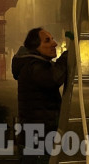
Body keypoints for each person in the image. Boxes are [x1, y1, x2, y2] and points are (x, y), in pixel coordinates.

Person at [12, 27, 68, 163]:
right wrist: (67, 57)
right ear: (34, 47)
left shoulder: (34, 64)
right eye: (47, 41)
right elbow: (54, 79)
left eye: (52, 39)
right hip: (37, 139)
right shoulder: (34, 66)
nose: (54, 43)